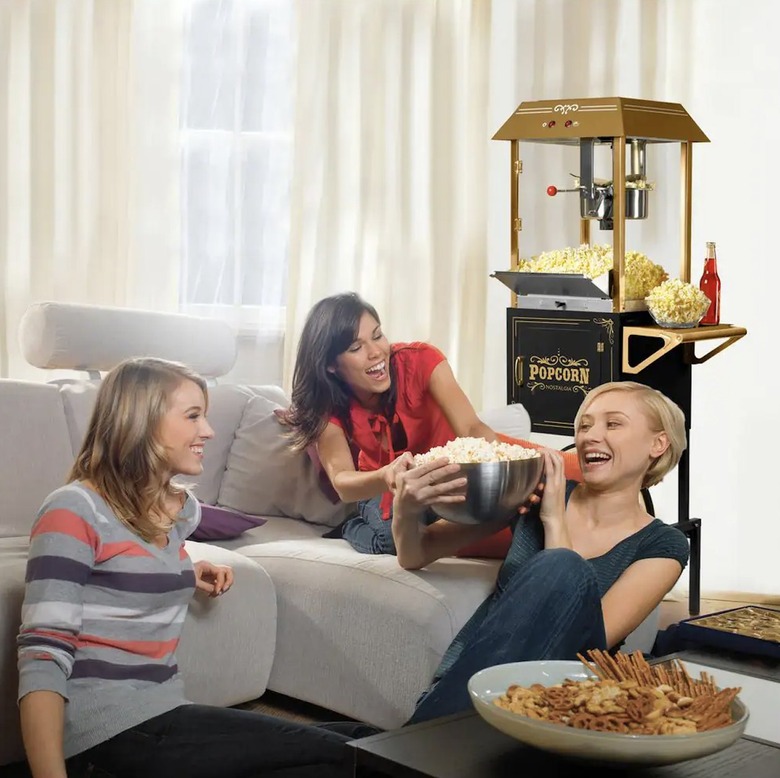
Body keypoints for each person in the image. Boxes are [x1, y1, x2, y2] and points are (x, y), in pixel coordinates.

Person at [16, 357, 368, 778]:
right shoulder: (73, 509)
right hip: (109, 735)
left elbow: (130, 562)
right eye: (193, 416)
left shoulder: (177, 511)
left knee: (364, 740)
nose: (209, 431)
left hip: (164, 714)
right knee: (357, 757)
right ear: (141, 421)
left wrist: (188, 571)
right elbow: (43, 654)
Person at [389, 380, 691, 724]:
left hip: (549, 710)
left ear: (658, 443)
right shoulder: (530, 489)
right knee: (316, 744)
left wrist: (553, 519)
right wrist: (407, 507)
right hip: (463, 691)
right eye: (585, 425)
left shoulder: (663, 545)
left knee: (562, 566)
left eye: (613, 423)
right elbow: (416, 554)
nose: (590, 435)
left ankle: (413, 743)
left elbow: (584, 638)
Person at [285, 291, 499, 554]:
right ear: (331, 365)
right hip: (384, 488)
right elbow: (342, 480)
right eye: (356, 347)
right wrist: (387, 476)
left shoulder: (421, 361)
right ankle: (351, 527)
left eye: (377, 336)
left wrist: (499, 460)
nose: (376, 352)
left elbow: (470, 428)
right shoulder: (327, 406)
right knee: (392, 540)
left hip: (445, 480)